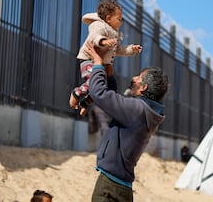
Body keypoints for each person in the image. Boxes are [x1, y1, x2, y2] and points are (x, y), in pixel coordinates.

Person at [70, 41, 168, 201]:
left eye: (138, 77)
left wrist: (97, 63)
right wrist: (108, 73)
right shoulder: (147, 113)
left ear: (143, 88)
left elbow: (99, 93)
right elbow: (115, 100)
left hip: (109, 188)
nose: (134, 78)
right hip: (123, 188)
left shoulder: (137, 110)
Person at [70, 0, 142, 116]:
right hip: (89, 59)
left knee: (104, 88)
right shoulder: (98, 25)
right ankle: (76, 94)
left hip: (101, 64)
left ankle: (85, 103)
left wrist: (131, 49)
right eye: (119, 19)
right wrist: (103, 41)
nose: (121, 22)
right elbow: (94, 37)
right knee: (94, 82)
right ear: (108, 18)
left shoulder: (114, 33)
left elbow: (118, 50)